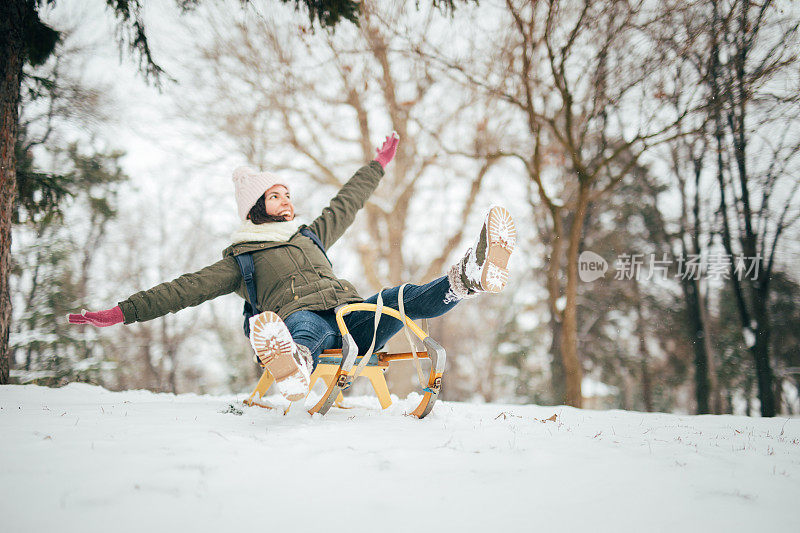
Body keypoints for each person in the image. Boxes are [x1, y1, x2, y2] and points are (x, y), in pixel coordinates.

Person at [68, 133, 516, 401]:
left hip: (351, 315)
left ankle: (469, 277)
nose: (289, 200)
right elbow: (184, 289)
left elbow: (348, 202)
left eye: (287, 194)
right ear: (257, 207)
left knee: (399, 300)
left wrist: (376, 166)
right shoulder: (241, 260)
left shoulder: (311, 235)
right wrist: (122, 311)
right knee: (304, 327)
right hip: (299, 318)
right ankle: (294, 364)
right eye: (277, 195)